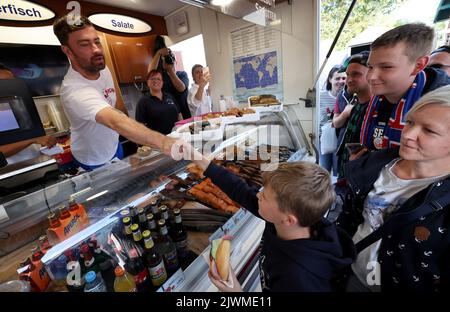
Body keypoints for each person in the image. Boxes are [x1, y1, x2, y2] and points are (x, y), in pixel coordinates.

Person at [180, 144, 355, 292]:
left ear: (288, 219)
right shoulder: (283, 221)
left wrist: (235, 291)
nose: (258, 195)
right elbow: (239, 190)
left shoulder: (297, 278)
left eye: (264, 196)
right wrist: (196, 157)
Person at [342, 85, 450, 292]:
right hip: (353, 274)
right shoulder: (374, 166)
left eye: (429, 130)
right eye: (409, 122)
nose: (408, 134)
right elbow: (350, 219)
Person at [53, 15, 178, 171]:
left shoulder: (102, 68)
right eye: (85, 44)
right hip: (93, 158)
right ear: (68, 51)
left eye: (97, 41)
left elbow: (113, 105)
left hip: (114, 146)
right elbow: (115, 121)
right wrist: (165, 142)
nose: (97, 50)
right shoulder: (75, 90)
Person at [359, 23, 450, 154]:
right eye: (370, 67)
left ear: (419, 65)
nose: (372, 77)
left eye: (386, 67)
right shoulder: (377, 97)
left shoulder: (443, 108)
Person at [0, 64, 57, 165]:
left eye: (11, 81)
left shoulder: (20, 105)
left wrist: (45, 142)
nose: (9, 86)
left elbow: (33, 137)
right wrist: (32, 139)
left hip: (36, 163)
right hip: (13, 171)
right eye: (3, 83)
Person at [333, 52, 371, 179]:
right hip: (346, 173)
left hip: (360, 177)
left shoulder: (375, 109)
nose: (348, 79)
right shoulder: (356, 105)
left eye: (356, 74)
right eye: (348, 74)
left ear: (371, 74)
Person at [148, 35, 191, 119]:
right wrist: (158, 53)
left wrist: (170, 71)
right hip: (168, 118)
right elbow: (151, 74)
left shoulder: (182, 74)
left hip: (185, 116)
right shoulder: (160, 79)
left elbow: (181, 88)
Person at [135, 70, 182, 135]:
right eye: (152, 79)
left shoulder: (169, 96)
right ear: (148, 82)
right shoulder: (143, 101)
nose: (155, 81)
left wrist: (182, 130)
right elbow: (140, 126)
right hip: (160, 141)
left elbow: (179, 114)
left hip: (177, 136)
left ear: (162, 83)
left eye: (158, 79)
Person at [319, 66, 346, 176]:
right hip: (325, 139)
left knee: (337, 171)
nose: (341, 81)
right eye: (337, 78)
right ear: (330, 79)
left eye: (343, 78)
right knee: (324, 170)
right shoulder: (320, 96)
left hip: (340, 140)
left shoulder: (347, 97)